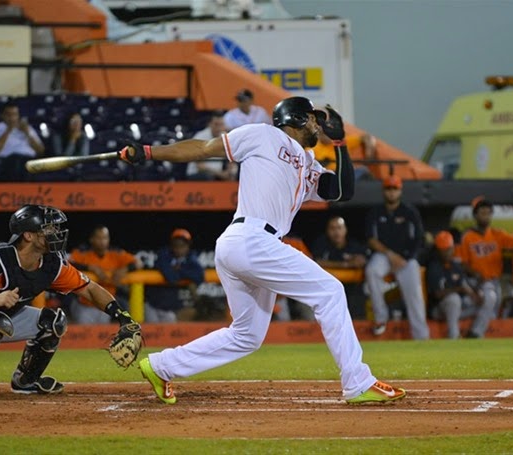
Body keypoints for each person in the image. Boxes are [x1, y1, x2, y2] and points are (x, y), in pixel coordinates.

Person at [117, 96, 406, 405]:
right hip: (251, 238)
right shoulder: (262, 134)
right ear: (294, 118)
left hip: (248, 245)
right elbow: (203, 148)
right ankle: (358, 381)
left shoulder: (308, 163)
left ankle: (161, 366)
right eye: (311, 118)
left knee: (247, 336)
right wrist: (148, 152)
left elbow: (341, 192)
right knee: (330, 291)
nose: (316, 125)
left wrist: (340, 144)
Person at [0, 205, 138, 402]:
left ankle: (26, 380)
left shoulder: (52, 264)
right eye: (48, 228)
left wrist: (123, 317)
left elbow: (90, 289)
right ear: (28, 235)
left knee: (53, 323)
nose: (56, 232)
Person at [364, 175, 429, 339]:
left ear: (400, 191)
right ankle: (381, 317)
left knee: (414, 293)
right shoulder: (376, 212)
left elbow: (419, 239)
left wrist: (405, 258)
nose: (391, 193)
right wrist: (390, 254)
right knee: (372, 270)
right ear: (383, 191)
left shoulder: (409, 212)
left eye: (394, 189)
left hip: (406, 258)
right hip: (385, 255)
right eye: (388, 189)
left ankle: (421, 336)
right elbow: (371, 239)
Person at [458, 196, 513, 338]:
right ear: (475, 215)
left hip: (494, 281)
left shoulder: (498, 234)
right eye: (482, 213)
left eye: (488, 213)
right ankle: (475, 333)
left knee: (491, 312)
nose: (485, 216)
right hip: (477, 282)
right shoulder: (467, 236)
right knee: (490, 299)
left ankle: (472, 327)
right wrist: (476, 274)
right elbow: (463, 263)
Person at [67, 225, 142, 324]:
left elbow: (139, 263)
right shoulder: (83, 253)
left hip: (105, 307)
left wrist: (125, 269)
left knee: (102, 336)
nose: (102, 241)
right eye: (99, 238)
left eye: (105, 238)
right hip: (85, 305)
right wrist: (90, 267)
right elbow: (67, 264)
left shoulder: (115, 254)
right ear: (92, 239)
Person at [426, 231, 485, 339]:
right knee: (454, 299)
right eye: (445, 250)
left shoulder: (455, 265)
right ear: (439, 251)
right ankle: (454, 335)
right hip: (438, 309)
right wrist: (460, 289)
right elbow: (437, 294)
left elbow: (464, 285)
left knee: (485, 300)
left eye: (450, 249)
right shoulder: (434, 267)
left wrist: (476, 294)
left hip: (457, 308)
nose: (448, 252)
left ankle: (475, 334)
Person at [311, 216, 369, 320]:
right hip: (327, 290)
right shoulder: (321, 244)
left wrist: (359, 260)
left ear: (345, 230)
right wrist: (345, 265)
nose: (336, 232)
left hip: (353, 289)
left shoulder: (353, 245)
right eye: (332, 228)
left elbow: (362, 260)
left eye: (339, 228)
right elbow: (317, 262)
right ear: (327, 231)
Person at [145, 229, 205, 323]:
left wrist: (180, 270)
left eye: (182, 245)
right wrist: (185, 274)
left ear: (188, 246)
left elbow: (199, 276)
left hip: (170, 309)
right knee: (148, 334)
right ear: (171, 245)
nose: (179, 249)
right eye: (176, 245)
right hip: (153, 304)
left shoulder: (191, 259)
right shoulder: (164, 255)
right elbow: (171, 277)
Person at [0, 101, 45, 182]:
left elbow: (40, 150)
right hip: (6, 162)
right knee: (16, 162)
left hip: (29, 161)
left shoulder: (26, 128)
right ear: (2, 116)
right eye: (9, 114)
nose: (12, 118)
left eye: (15, 114)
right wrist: (8, 131)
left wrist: (27, 133)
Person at [186, 111, 238, 181]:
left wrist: (231, 170)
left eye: (221, 125)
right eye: (216, 124)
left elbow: (231, 160)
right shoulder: (200, 137)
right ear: (210, 124)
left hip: (217, 173)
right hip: (197, 173)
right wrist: (221, 174)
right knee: (208, 176)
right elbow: (200, 166)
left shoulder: (225, 137)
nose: (219, 128)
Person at [312, 131, 376, 181]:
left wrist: (369, 152)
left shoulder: (340, 142)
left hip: (345, 173)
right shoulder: (314, 147)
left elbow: (367, 137)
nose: (327, 136)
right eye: (324, 134)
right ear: (319, 135)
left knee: (364, 170)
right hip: (327, 175)